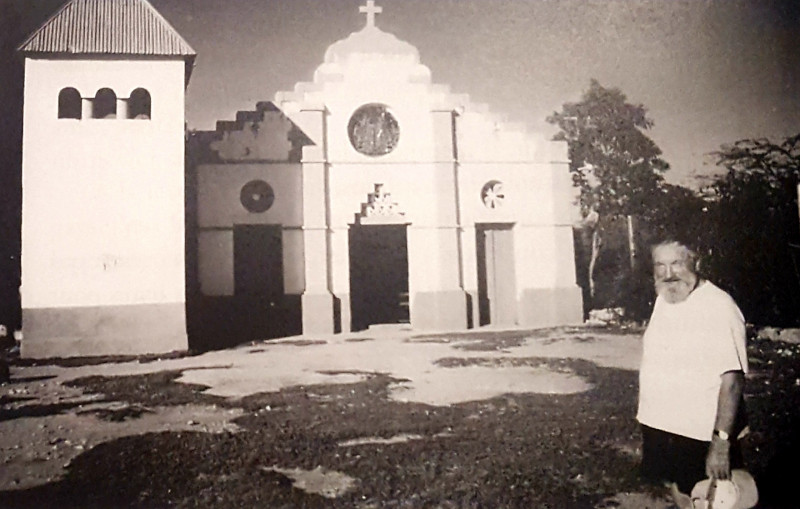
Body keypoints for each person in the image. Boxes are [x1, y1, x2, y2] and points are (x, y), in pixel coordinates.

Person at [637, 236, 749, 500]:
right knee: (679, 493)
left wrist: (721, 443)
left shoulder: (718, 306)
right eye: (660, 265)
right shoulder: (665, 299)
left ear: (695, 262)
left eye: (676, 264)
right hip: (663, 426)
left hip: (699, 433)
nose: (668, 274)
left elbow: (732, 381)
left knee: (715, 500)